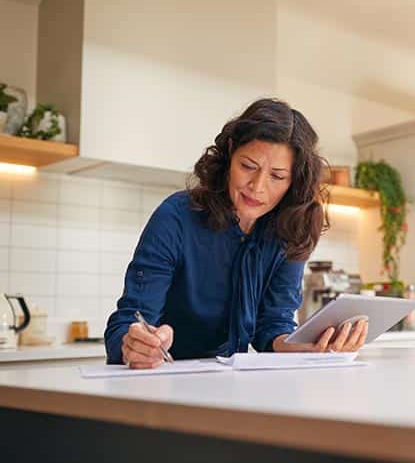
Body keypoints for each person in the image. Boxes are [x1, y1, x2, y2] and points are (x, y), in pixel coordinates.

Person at [104, 98, 368, 368]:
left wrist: (304, 345)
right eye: (248, 166)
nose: (257, 186)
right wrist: (135, 345)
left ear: (294, 181)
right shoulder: (176, 217)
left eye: (277, 177)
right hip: (165, 379)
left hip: (233, 384)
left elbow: (273, 324)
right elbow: (128, 321)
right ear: (231, 152)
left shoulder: (292, 228)